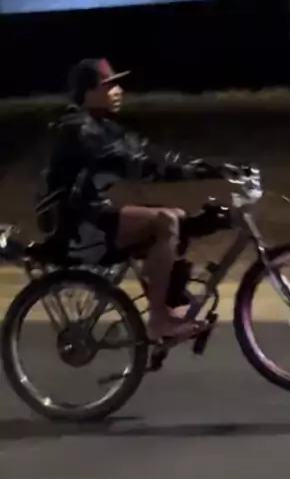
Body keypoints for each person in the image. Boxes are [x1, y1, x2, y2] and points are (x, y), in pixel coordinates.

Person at [35, 58, 220, 342]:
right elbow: (133, 165)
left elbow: (151, 153)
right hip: (72, 229)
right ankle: (158, 320)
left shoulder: (103, 127)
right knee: (165, 220)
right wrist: (195, 173)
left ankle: (170, 300)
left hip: (90, 216)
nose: (118, 90)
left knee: (178, 217)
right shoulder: (80, 130)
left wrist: (209, 168)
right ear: (88, 92)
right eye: (109, 85)